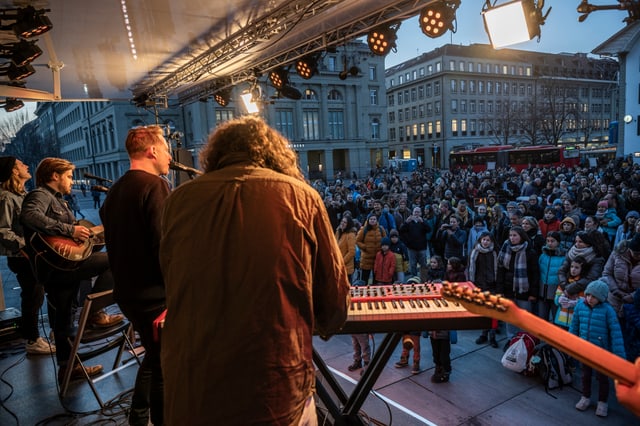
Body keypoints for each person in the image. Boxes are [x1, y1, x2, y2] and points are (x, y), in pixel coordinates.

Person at [158, 116, 350, 424]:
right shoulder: (302, 197)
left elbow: (172, 280)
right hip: (275, 389)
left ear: (216, 153)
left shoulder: (178, 201)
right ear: (275, 154)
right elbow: (334, 303)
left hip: (193, 389)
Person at [20, 158, 123, 384]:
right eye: (67, 176)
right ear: (54, 176)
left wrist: (93, 232)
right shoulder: (40, 195)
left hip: (64, 264)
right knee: (117, 260)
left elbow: (77, 236)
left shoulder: (59, 201)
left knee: (63, 316)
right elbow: (29, 216)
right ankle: (95, 312)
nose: (70, 181)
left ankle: (69, 368)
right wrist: (70, 229)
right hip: (57, 267)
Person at [99, 125, 172, 426]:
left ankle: (138, 416)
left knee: (154, 358)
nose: (169, 155)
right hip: (155, 296)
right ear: (152, 150)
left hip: (130, 295)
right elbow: (163, 245)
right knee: (164, 367)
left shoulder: (116, 190)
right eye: (166, 148)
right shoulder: (155, 186)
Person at [0, 156, 55, 355]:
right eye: (22, 164)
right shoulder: (6, 197)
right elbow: (3, 230)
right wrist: (25, 245)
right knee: (33, 296)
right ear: (14, 171)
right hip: (22, 256)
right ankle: (32, 340)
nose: (27, 165)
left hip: (32, 253)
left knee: (40, 293)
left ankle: (43, 335)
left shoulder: (22, 194)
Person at [570, 280, 626, 417]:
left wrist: (620, 356)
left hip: (602, 352)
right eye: (588, 295)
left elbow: (616, 334)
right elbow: (574, 325)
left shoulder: (608, 311)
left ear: (601, 297)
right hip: (585, 350)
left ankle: (602, 402)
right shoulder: (580, 306)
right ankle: (585, 397)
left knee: (602, 378)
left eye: (593, 296)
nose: (589, 298)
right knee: (585, 375)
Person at [496, 226, 539, 338]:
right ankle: (511, 340)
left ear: (521, 237)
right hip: (508, 289)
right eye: (510, 235)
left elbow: (535, 274)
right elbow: (500, 271)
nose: (512, 238)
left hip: (524, 292)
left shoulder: (530, 252)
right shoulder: (505, 249)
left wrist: (533, 293)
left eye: (515, 235)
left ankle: (524, 340)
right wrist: (500, 291)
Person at [468, 231, 499, 347]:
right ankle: (483, 334)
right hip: (480, 285)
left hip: (492, 285)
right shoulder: (475, 252)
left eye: (488, 240)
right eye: (484, 240)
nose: (485, 242)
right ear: (480, 240)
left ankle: (492, 336)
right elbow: (471, 269)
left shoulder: (494, 252)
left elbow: (497, 269)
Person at [601, 233, 640, 317]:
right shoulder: (618, 253)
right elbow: (607, 273)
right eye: (636, 253)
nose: (638, 256)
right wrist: (615, 290)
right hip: (614, 298)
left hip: (635, 304)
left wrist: (633, 296)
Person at [537, 231, 565, 322]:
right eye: (548, 241)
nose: (549, 243)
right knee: (542, 319)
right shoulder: (543, 256)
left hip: (556, 292)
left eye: (552, 241)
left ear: (558, 242)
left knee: (556, 319)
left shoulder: (563, 258)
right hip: (542, 292)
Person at [554, 256, 586, 329]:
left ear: (582, 269)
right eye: (571, 267)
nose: (573, 269)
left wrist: (576, 302)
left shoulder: (582, 284)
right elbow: (556, 299)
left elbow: (585, 300)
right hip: (561, 319)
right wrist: (559, 299)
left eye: (577, 267)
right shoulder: (564, 281)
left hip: (574, 321)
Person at [399, 206, 430, 277]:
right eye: (415, 212)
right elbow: (401, 230)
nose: (416, 213)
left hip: (422, 247)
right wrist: (406, 222)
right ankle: (414, 279)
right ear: (412, 213)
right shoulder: (409, 222)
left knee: (423, 265)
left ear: (421, 213)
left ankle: (424, 279)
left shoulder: (423, 221)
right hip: (411, 248)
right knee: (412, 265)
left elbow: (429, 230)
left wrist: (422, 222)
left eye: (418, 212)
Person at [356, 214, 386, 284]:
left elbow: (385, 240)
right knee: (364, 279)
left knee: (376, 279)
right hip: (366, 258)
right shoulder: (364, 229)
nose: (372, 221)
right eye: (371, 219)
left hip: (378, 258)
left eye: (374, 219)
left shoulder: (381, 229)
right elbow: (357, 241)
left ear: (376, 220)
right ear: (368, 220)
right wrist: (365, 247)